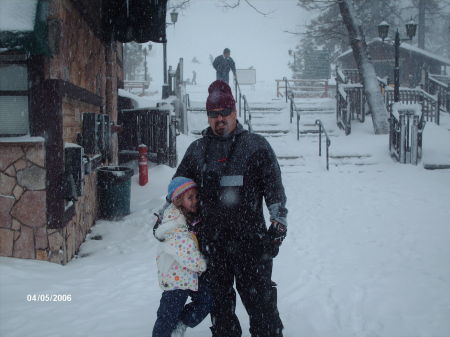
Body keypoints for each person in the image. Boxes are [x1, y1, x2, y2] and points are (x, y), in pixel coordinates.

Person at [173, 80, 288, 337]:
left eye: (224, 112)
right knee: (221, 312)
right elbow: (178, 190)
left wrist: (279, 220)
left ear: (235, 113)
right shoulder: (198, 150)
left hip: (252, 243)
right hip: (212, 246)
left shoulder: (256, 146)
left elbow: (274, 188)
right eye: (213, 114)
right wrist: (167, 219)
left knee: (262, 308)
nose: (219, 119)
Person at [152, 177, 212, 337]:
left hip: (189, 276)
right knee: (167, 317)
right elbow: (186, 252)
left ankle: (182, 323)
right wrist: (203, 264)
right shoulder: (174, 224)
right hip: (175, 280)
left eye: (196, 196)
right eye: (190, 198)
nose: (195, 201)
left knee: (206, 301)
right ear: (178, 200)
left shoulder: (191, 217)